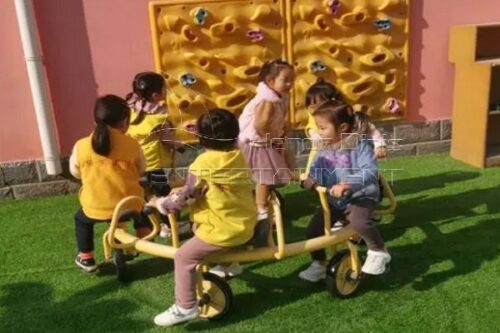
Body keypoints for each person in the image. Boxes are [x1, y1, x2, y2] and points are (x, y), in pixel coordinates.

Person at [150, 109, 257, 327]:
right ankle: (230, 265)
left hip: (221, 231)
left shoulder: (201, 165)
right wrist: (202, 133)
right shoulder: (240, 153)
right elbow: (220, 152)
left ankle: (185, 306)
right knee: (208, 230)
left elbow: (186, 197)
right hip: (246, 224)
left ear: (200, 138)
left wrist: (161, 204)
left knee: (184, 257)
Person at [298, 101, 391, 282]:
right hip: (335, 200)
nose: (319, 132)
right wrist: (310, 179)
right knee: (312, 230)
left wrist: (348, 184)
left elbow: (370, 171)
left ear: (342, 127)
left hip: (361, 196)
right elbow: (317, 168)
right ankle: (319, 263)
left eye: (323, 128)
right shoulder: (323, 148)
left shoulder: (360, 145)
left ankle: (379, 250)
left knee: (358, 221)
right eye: (318, 127)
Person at [70, 95, 151, 273]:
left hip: (96, 206)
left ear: (94, 120)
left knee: (81, 220)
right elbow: (141, 169)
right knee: (141, 202)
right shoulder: (132, 144)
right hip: (128, 204)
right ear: (125, 120)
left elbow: (75, 171)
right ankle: (144, 235)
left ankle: (86, 257)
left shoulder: (81, 145)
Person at [126, 72, 189, 237]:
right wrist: (182, 146)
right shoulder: (158, 117)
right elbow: (168, 140)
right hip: (155, 165)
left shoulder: (132, 109)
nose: (166, 90)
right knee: (165, 195)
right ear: (156, 94)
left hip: (137, 163)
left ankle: (156, 223)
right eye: (164, 88)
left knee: (148, 194)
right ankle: (168, 226)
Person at [304, 78, 387, 173]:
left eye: (318, 106)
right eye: (311, 107)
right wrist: (318, 139)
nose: (314, 110)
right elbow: (315, 136)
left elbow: (368, 127)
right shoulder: (315, 119)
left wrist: (379, 144)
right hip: (326, 160)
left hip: (352, 158)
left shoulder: (345, 113)